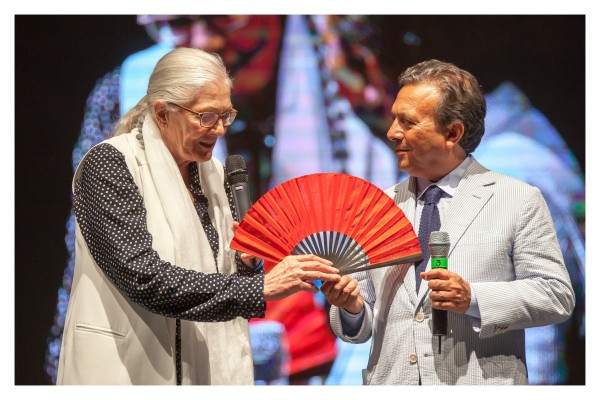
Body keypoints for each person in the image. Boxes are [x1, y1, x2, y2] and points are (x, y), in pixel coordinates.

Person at [56, 47, 340, 385]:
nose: (219, 130)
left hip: (198, 370)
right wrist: (259, 287)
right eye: (207, 117)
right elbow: (143, 278)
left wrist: (248, 264)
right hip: (123, 369)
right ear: (163, 113)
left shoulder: (215, 173)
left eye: (226, 116)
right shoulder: (110, 164)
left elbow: (223, 285)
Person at [321, 59, 575, 385]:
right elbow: (361, 327)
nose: (392, 132)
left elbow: (555, 296)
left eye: (407, 122)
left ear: (453, 133)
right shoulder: (376, 207)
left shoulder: (517, 195)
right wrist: (351, 308)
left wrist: (473, 298)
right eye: (394, 118)